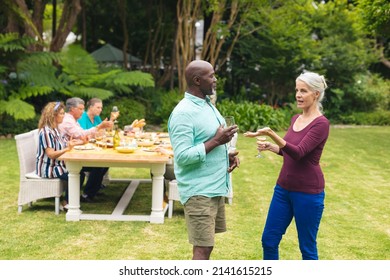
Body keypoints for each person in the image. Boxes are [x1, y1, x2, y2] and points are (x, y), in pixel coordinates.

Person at [244, 71, 330, 260]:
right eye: (297, 90)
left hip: (308, 193)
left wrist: (271, 133)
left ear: (316, 94)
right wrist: (271, 147)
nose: (298, 95)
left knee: (307, 248)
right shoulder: (295, 119)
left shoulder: (321, 124)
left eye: (304, 91)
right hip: (283, 189)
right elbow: (288, 150)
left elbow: (299, 152)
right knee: (269, 240)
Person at [168, 60, 240, 260]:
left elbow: (205, 144)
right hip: (199, 191)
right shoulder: (183, 113)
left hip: (214, 188)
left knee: (207, 247)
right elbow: (182, 156)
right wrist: (217, 141)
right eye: (211, 76)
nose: (215, 80)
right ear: (197, 80)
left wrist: (225, 155)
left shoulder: (208, 105)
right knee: (202, 249)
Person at [58, 97, 112, 202]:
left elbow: (81, 133)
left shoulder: (74, 120)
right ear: (72, 109)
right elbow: (81, 134)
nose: (83, 111)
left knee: (102, 164)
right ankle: (87, 195)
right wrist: (99, 126)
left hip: (70, 152)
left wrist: (83, 138)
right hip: (64, 158)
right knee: (99, 165)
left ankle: (91, 192)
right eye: (81, 109)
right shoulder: (68, 120)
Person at [35, 101, 80, 209]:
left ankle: (67, 200)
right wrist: (67, 148)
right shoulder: (46, 132)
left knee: (78, 172)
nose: (64, 116)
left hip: (58, 165)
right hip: (48, 168)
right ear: (53, 115)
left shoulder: (56, 129)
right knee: (76, 174)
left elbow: (64, 144)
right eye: (61, 113)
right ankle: (67, 203)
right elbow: (51, 154)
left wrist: (72, 143)